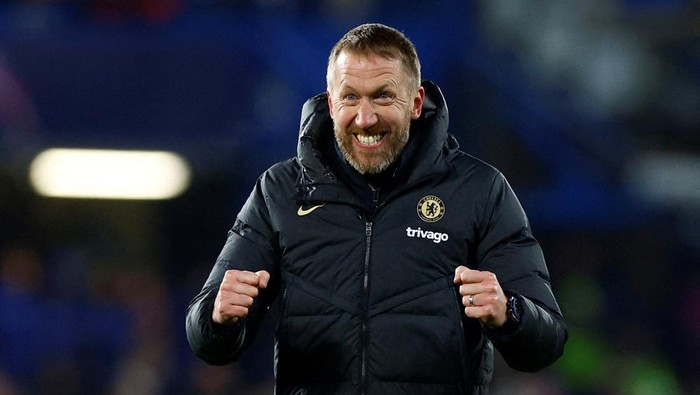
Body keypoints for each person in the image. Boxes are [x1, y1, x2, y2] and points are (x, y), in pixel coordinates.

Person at [186, 23, 567, 394]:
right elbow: (206, 339)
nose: (365, 118)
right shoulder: (281, 192)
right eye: (351, 97)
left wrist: (509, 313)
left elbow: (545, 344)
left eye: (383, 96)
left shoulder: (480, 190)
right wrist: (219, 319)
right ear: (331, 103)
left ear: (416, 102)